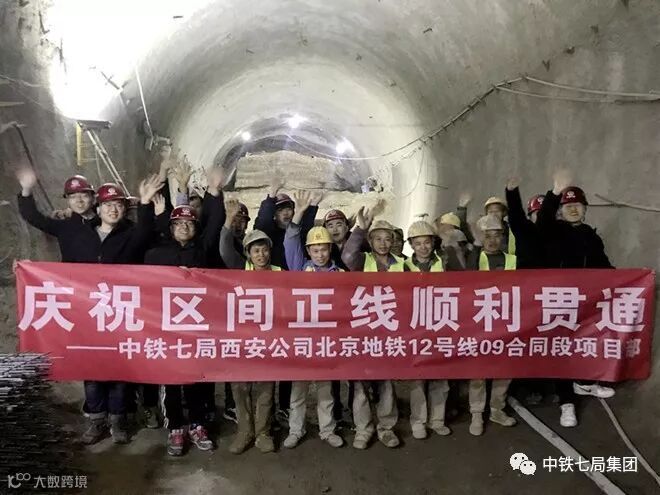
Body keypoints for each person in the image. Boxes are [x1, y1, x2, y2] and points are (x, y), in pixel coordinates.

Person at [17, 168, 163, 444]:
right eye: (108, 205)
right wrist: (26, 191)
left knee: (120, 367)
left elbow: (145, 232)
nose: (112, 209)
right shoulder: (78, 230)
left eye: (117, 205)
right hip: (84, 309)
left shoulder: (126, 234)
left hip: (119, 311)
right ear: (99, 207)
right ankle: (97, 421)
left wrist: (144, 203)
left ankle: (118, 420)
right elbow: (35, 218)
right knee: (90, 365)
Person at [144, 168, 225, 456]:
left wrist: (214, 193)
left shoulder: (203, 250)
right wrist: (150, 206)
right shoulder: (156, 254)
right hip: (166, 327)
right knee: (171, 380)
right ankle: (176, 427)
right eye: (178, 223)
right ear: (170, 227)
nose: (184, 227)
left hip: (197, 327)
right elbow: (144, 235)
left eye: (189, 223)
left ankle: (198, 424)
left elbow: (214, 224)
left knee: (196, 378)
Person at [537, 170, 615, 424]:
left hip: (587, 301)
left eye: (577, 205)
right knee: (562, 349)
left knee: (587, 342)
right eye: (567, 206)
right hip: (560, 300)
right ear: (561, 210)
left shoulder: (591, 236)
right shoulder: (555, 230)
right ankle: (566, 403)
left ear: (585, 209)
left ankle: (585, 382)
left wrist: (632, 278)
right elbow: (543, 221)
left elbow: (604, 265)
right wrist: (553, 194)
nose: (573, 209)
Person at [280, 191, 345, 449]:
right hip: (303, 340)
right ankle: (296, 430)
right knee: (298, 391)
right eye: (315, 250)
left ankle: (327, 430)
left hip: (326, 340)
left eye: (324, 249)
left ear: (330, 249)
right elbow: (290, 242)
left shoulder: (340, 275)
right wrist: (299, 214)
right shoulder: (300, 269)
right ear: (308, 251)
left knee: (325, 391)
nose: (320, 254)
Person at [254, 177, 319, 423]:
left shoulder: (298, 235)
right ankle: (266, 410)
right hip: (268, 303)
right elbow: (261, 223)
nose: (286, 213)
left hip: (292, 304)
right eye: (281, 210)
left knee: (288, 354)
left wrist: (311, 208)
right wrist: (271, 196)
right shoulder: (268, 234)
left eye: (289, 209)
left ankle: (284, 405)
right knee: (269, 356)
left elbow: (305, 227)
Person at [342, 206, 403, 449]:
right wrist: (360, 229)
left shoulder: (401, 264)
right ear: (371, 241)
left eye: (388, 239)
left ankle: (386, 428)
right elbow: (347, 256)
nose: (383, 243)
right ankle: (363, 429)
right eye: (378, 239)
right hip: (363, 331)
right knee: (360, 383)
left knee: (386, 382)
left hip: (389, 332)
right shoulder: (362, 261)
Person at [220, 205, 279, 454]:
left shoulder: (281, 274)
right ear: (248, 253)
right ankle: (244, 431)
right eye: (256, 250)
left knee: (266, 387)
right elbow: (224, 249)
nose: (261, 255)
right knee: (240, 386)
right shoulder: (240, 269)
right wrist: (228, 220)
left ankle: (263, 432)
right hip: (242, 339)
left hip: (269, 340)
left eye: (264, 249)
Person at [466, 214, 518, 436]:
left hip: (505, 321)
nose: (492, 240)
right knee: (478, 371)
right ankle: (477, 413)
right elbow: (465, 281)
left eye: (497, 235)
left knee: (504, 369)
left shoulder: (513, 260)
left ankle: (497, 409)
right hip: (479, 322)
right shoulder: (474, 259)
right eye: (487, 236)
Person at [403, 220, 452, 439]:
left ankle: (437, 420)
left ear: (433, 242)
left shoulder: (445, 262)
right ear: (411, 245)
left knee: (440, 377)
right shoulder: (403, 266)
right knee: (418, 378)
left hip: (441, 326)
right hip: (416, 329)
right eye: (418, 243)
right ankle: (418, 421)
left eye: (427, 242)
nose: (423, 247)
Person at [17, 174, 97, 261]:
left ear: (93, 198)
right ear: (68, 201)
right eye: (73, 197)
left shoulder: (105, 224)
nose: (78, 200)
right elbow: (32, 216)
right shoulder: (63, 227)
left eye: (84, 195)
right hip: (69, 270)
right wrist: (26, 189)